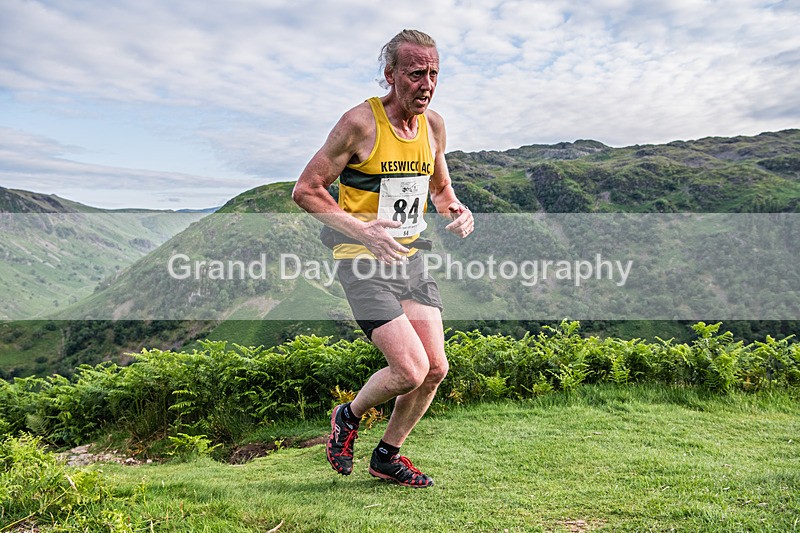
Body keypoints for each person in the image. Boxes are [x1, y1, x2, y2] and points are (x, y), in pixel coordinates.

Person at [292, 29, 473, 488]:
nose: (427, 84)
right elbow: (306, 190)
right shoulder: (359, 123)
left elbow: (439, 187)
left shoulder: (433, 126)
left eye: (434, 74)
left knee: (434, 369)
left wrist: (454, 207)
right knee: (408, 368)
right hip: (362, 259)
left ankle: (387, 455)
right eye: (416, 74)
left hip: (411, 258)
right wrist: (362, 231)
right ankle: (347, 416)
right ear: (390, 75)